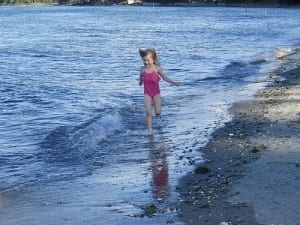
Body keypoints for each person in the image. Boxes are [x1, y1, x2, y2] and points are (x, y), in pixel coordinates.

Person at [139, 48, 180, 135]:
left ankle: (157, 119)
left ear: (153, 60)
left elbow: (165, 77)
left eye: (148, 60)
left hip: (156, 93)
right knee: (148, 113)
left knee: (158, 112)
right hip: (147, 94)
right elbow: (141, 78)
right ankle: (150, 130)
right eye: (144, 60)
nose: (146, 62)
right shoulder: (142, 69)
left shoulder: (157, 69)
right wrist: (140, 82)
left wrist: (174, 82)